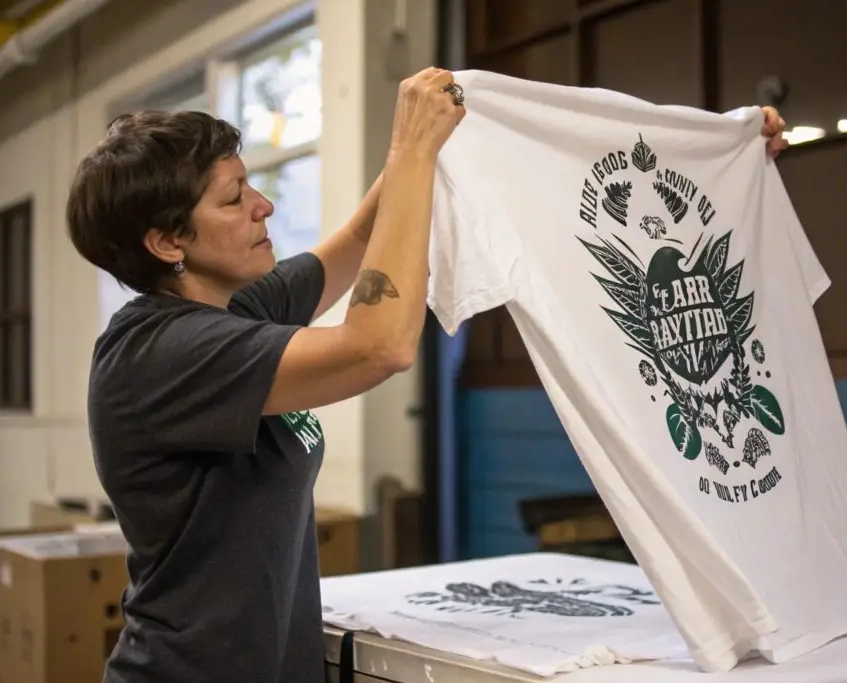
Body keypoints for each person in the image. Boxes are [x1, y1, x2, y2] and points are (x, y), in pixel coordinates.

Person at [66, 60, 787, 683]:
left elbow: (359, 237)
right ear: (167, 243)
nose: (264, 206)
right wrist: (412, 150)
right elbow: (377, 346)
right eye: (233, 199)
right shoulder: (159, 353)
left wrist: (717, 154)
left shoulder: (238, 309)